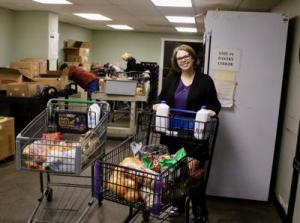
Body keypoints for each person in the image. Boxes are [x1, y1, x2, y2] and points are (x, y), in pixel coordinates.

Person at [153, 44, 221, 223]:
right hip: (172, 134)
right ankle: (178, 205)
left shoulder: (205, 80)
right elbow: (161, 99)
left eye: (186, 56)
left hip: (196, 136)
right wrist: (157, 105)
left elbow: (215, 105)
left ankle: (199, 211)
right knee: (174, 172)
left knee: (194, 174)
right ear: (175, 62)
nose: (183, 60)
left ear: (193, 58)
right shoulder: (171, 78)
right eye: (179, 58)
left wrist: (211, 112)